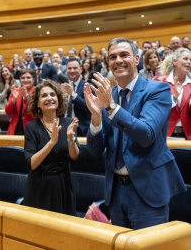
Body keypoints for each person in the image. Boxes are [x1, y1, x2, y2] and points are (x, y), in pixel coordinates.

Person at [84, 37, 186, 230]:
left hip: (147, 190)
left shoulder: (158, 89)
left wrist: (111, 107)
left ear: (137, 59)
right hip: (115, 192)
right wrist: (96, 117)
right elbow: (95, 151)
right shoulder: (108, 96)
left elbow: (146, 134)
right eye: (113, 57)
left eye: (124, 55)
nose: (118, 60)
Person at [24, 80, 80, 216]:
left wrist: (70, 139)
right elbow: (32, 163)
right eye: (44, 96)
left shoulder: (68, 123)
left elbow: (74, 157)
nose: (49, 98)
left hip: (63, 185)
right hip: (39, 186)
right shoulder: (31, 127)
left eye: (52, 95)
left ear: (58, 99)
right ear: (37, 103)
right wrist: (52, 142)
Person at [157, 48, 191, 139]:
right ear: (175, 61)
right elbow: (158, 108)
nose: (189, 62)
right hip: (166, 133)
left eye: (190, 60)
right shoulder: (161, 82)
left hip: (188, 134)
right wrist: (175, 97)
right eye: (185, 59)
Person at [62, 58, 91, 137]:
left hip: (81, 129)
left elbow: (89, 108)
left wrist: (73, 95)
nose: (72, 71)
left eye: (75, 68)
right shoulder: (62, 87)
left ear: (81, 69)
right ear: (66, 70)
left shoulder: (88, 86)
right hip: (64, 128)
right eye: (69, 68)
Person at [5, 69, 36, 135]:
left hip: (32, 129)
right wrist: (14, 100)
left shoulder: (38, 91)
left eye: (28, 77)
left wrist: (26, 97)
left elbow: (35, 111)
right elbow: (8, 112)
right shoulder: (16, 91)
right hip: (15, 128)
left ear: (33, 80)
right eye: (23, 78)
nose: (25, 80)